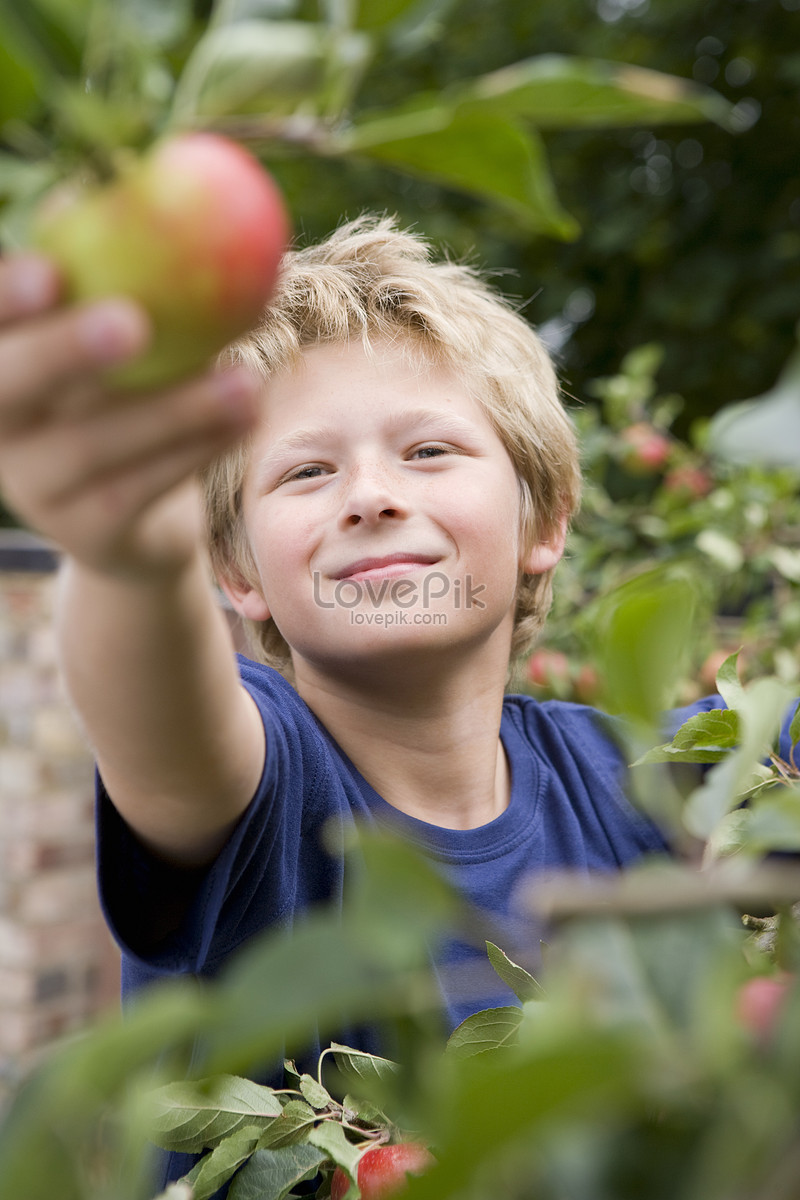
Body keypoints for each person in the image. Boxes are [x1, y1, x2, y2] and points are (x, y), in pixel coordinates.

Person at [0, 216, 760, 1190]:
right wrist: (130, 552)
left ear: (545, 518)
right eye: (306, 471)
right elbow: (161, 719)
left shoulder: (645, 786)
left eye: (429, 451)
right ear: (236, 570)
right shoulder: (268, 788)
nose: (368, 495)